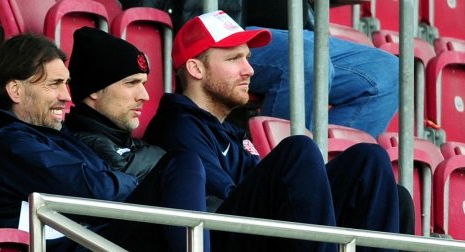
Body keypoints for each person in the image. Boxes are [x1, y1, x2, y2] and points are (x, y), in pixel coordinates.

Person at [144, 10, 400, 252]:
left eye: (248, 58)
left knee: (369, 163)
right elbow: (220, 208)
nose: (250, 70)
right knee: (298, 151)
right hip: (216, 237)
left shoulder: (228, 131)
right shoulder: (178, 125)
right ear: (196, 69)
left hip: (252, 231)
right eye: (234, 59)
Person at [0, 32, 207, 251]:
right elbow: (100, 190)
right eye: (54, 84)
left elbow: (102, 183)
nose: (66, 96)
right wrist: (137, 180)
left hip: (96, 238)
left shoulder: (42, 136)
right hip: (85, 244)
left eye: (66, 84)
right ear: (15, 91)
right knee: (181, 165)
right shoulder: (6, 144)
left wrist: (119, 179)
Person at [120, 0, 399, 138]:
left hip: (298, 32)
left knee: (387, 71)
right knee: (305, 58)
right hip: (228, 30)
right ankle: (282, 172)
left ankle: (330, 173)